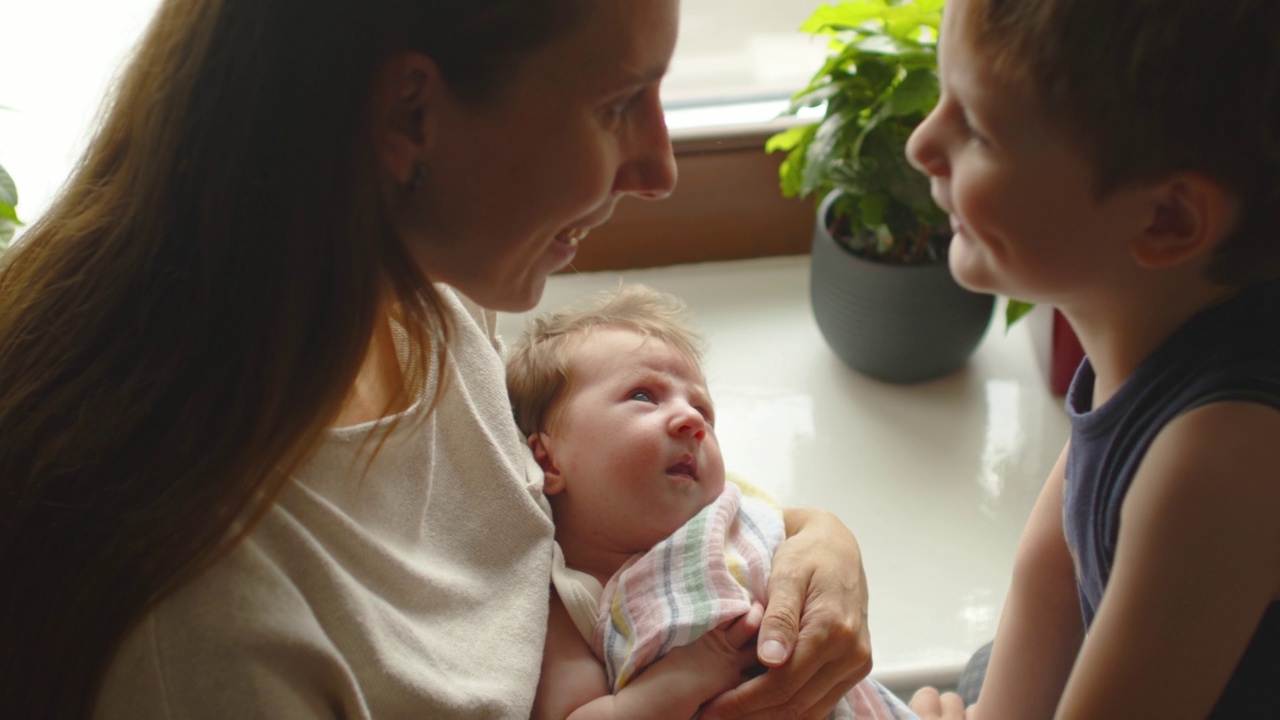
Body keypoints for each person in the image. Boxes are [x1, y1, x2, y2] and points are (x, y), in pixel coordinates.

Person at [0, 0, 879, 717]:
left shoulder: (425, 293)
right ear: (410, 116)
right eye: (618, 105)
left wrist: (817, 543)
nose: (658, 169)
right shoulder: (202, 641)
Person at [902, 0, 1280, 718]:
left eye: (976, 126)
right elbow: (1051, 576)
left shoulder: (1223, 457)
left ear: (1166, 220)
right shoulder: (1146, 324)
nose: (923, 143)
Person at [506, 283, 918, 720]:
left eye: (704, 412)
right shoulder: (569, 599)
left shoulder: (733, 518)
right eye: (643, 396)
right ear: (548, 460)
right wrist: (688, 676)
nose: (693, 421)